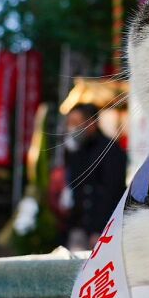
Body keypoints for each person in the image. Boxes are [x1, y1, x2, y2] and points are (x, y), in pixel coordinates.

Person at [61, 103, 127, 250]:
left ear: (91, 123)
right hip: (77, 227)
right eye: (70, 123)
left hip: (100, 230)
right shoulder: (77, 149)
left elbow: (111, 193)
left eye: (76, 123)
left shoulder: (111, 150)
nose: (72, 128)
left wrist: (99, 229)